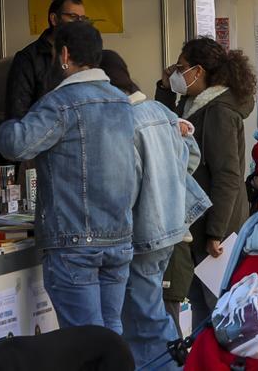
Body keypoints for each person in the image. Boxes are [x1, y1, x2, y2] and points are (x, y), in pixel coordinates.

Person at [0, 22, 137, 332]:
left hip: (74, 242)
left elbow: (17, 145)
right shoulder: (122, 103)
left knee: (84, 344)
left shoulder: (60, 103)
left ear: (65, 55)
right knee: (110, 335)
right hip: (119, 239)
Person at [100, 51, 210, 368]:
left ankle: (169, 365)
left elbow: (121, 183)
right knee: (149, 309)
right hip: (171, 225)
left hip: (142, 229)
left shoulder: (125, 121)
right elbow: (191, 158)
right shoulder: (161, 111)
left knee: (145, 317)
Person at [155, 37, 257, 327]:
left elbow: (228, 176)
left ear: (198, 71)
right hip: (197, 224)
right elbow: (164, 129)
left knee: (217, 309)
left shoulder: (218, 111)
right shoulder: (194, 105)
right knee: (202, 308)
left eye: (181, 67)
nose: (176, 72)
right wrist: (164, 90)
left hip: (214, 230)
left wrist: (216, 232)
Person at [6, 0, 87, 119]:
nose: (79, 24)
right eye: (73, 17)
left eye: (82, 19)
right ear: (54, 19)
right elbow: (17, 114)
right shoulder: (28, 58)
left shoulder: (84, 54)